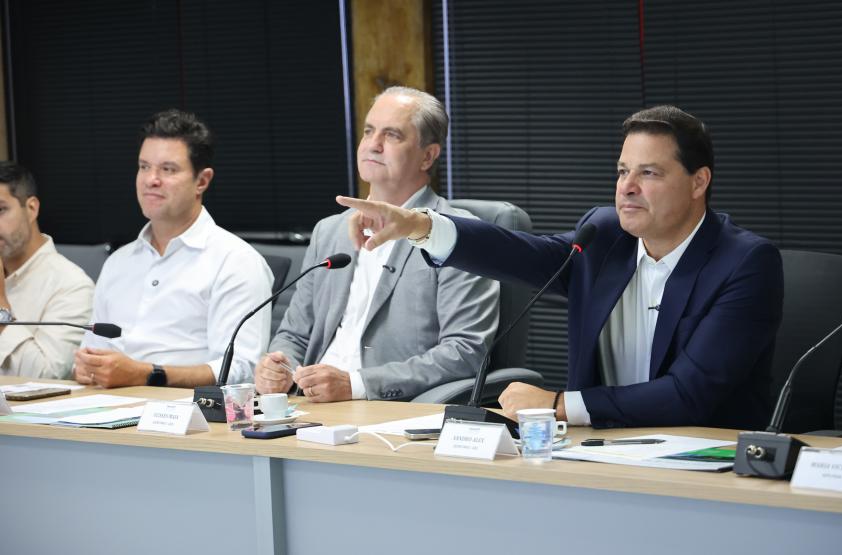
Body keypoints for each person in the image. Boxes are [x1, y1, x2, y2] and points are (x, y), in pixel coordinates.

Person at [337, 105, 784, 429]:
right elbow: (515, 252)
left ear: (698, 182)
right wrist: (417, 223)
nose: (626, 188)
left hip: (706, 457)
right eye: (622, 171)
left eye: (649, 174)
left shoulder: (744, 263)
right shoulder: (606, 236)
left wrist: (557, 404)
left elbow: (690, 395)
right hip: (599, 449)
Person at [254, 86, 498, 402]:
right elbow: (293, 334)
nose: (373, 145)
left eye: (392, 135)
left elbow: (465, 351)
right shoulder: (329, 231)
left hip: (387, 410)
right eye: (369, 131)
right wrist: (277, 367)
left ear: (428, 155)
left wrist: (356, 384)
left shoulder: (456, 235)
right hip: (307, 405)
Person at [73, 109, 273, 388]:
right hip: (104, 410)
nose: (150, 179)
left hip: (187, 419)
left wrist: (146, 374)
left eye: (167, 169)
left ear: (201, 181)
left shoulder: (236, 261)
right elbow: (90, 353)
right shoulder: (118, 262)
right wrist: (86, 369)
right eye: (144, 167)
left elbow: (240, 369)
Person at [0, 162, 94, 378]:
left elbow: (51, 377)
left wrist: (1, 308)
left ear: (31, 208)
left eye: (0, 209)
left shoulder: (72, 285)